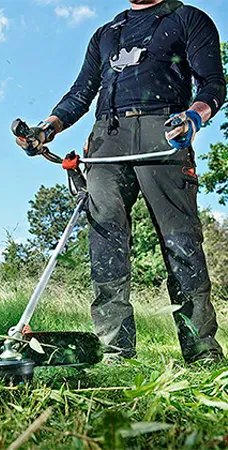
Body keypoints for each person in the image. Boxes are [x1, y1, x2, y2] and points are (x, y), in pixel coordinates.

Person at [16, 0, 226, 363]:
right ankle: (115, 350)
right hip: (108, 137)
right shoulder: (106, 34)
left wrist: (193, 117)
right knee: (105, 243)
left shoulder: (187, 18)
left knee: (181, 242)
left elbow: (213, 84)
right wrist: (45, 129)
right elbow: (81, 93)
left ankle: (201, 351)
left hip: (164, 131)